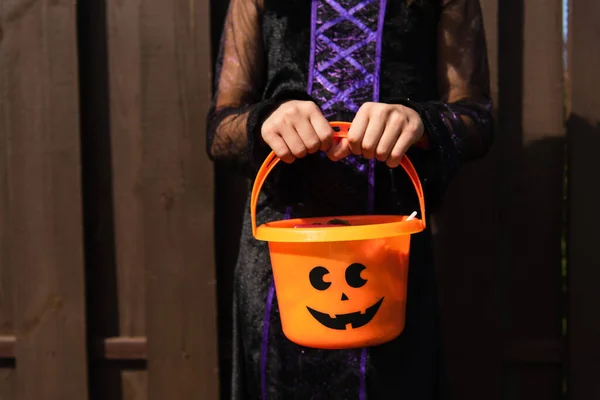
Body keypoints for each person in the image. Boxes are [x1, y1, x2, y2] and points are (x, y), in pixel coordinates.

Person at [206, 0, 493, 398]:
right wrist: (265, 122)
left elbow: (476, 119)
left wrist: (422, 122)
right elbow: (221, 128)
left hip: (391, 263)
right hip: (281, 266)